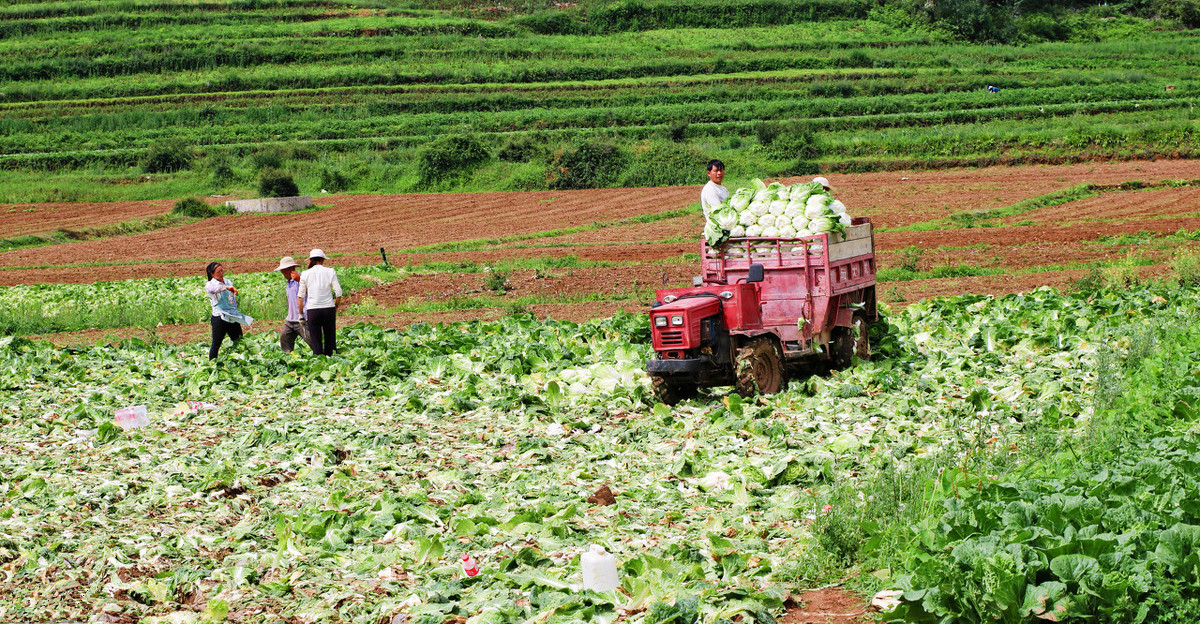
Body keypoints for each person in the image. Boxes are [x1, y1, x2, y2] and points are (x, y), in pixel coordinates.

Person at [205, 262, 254, 360]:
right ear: (212, 274)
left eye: (222, 270)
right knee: (216, 344)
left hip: (232, 317)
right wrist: (226, 288)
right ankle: (212, 364)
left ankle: (243, 361)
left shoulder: (228, 281)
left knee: (239, 341)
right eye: (218, 272)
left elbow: (231, 299)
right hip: (219, 318)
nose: (221, 273)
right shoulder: (210, 284)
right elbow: (213, 290)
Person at [298, 249, 342, 356]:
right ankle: (331, 362)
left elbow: (300, 297)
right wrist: (335, 306)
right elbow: (339, 292)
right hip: (328, 309)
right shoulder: (330, 271)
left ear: (311, 260)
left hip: (313, 310)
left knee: (316, 341)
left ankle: (319, 363)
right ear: (322, 260)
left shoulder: (305, 274)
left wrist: (301, 315)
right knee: (329, 339)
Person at [276, 256, 314, 354]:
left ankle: (321, 353)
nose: (282, 273)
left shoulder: (300, 280)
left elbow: (311, 291)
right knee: (284, 337)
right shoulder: (288, 282)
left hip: (301, 318)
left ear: (290, 269)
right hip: (290, 319)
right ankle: (288, 356)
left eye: (283, 271)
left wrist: (299, 280)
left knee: (310, 340)